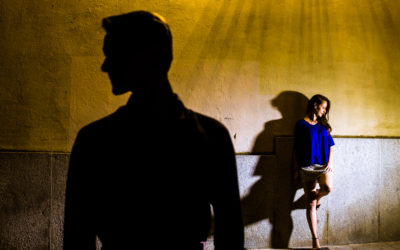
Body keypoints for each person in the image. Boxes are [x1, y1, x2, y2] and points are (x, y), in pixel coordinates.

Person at [63, 11, 244, 250]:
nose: (104, 66)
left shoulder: (95, 140)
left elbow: (77, 237)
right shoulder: (211, 136)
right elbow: (230, 233)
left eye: (113, 54)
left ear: (144, 57)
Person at [293, 94, 334, 249]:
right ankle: (315, 242)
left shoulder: (324, 125)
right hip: (306, 166)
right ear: (314, 105)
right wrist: (296, 169)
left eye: (326, 108)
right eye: (323, 107)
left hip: (322, 166)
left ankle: (318, 199)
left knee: (327, 188)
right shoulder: (301, 124)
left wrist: (329, 162)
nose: (324, 111)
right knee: (310, 204)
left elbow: (330, 145)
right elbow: (296, 149)